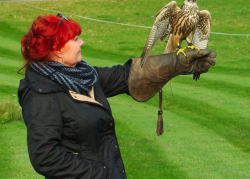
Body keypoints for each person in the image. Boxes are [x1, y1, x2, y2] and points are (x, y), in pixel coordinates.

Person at [17, 13, 216, 179]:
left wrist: (178, 63)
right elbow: (44, 156)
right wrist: (98, 173)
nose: (82, 42)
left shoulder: (83, 76)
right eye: (75, 39)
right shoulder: (41, 94)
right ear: (58, 50)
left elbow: (124, 76)